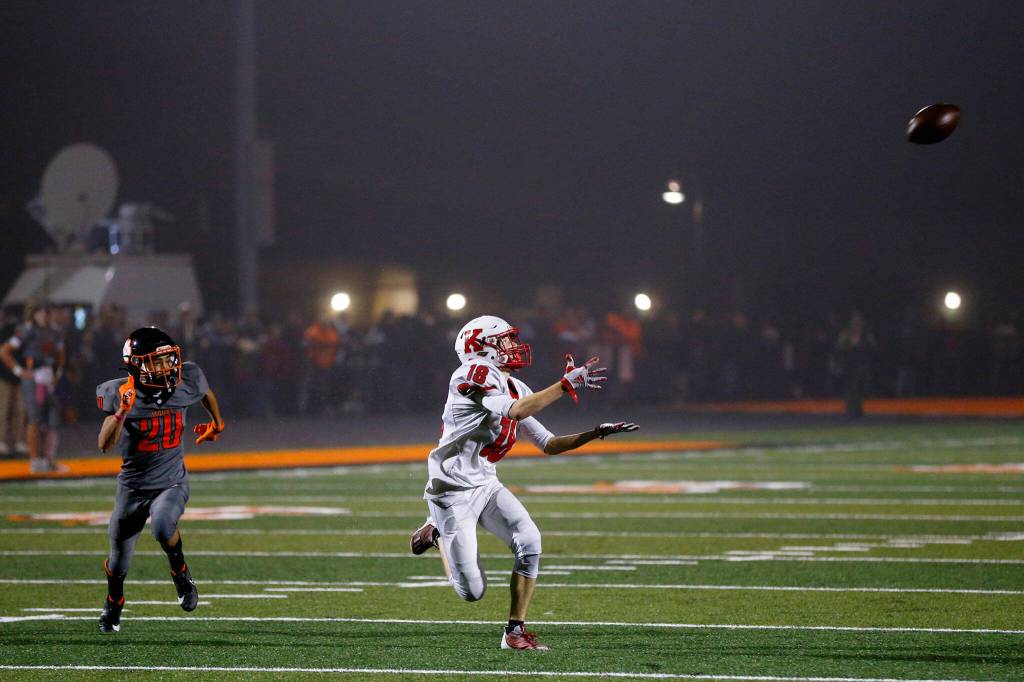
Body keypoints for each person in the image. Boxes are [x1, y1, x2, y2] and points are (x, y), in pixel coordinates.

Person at [409, 315, 638, 650]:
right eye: (504, 340)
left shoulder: (516, 385)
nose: (513, 346)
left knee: (529, 540)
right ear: (481, 346)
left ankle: (514, 632)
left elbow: (548, 443)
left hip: (484, 481)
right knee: (472, 591)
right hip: (452, 489)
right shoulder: (471, 373)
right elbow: (514, 412)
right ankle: (436, 531)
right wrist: (565, 385)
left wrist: (594, 433)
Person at [95, 327, 225, 633]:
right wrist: (121, 413)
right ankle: (113, 604)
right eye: (157, 362)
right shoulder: (120, 393)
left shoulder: (186, 379)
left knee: (164, 525)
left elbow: (204, 391)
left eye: (168, 359)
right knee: (118, 562)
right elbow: (104, 444)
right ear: (137, 365)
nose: (166, 367)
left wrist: (217, 423)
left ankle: (180, 573)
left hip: (171, 481)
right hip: (132, 487)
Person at [0, 304, 66, 473]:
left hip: (48, 379)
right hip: (34, 378)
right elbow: (5, 351)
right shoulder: (26, 331)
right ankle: (35, 460)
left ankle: (49, 459)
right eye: (42, 312)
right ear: (34, 314)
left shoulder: (53, 332)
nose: (45, 316)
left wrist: (58, 372)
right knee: (34, 419)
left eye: (47, 312)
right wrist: (19, 371)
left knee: (53, 419)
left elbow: (60, 353)